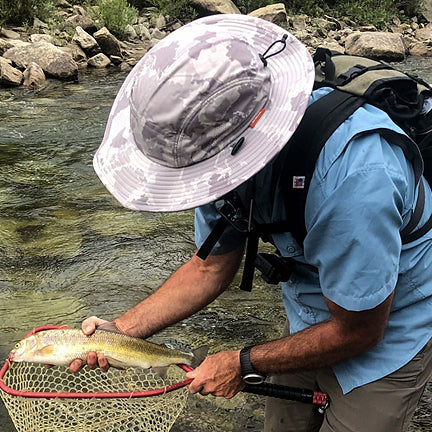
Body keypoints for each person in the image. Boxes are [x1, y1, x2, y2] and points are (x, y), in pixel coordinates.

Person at [71, 14, 432, 432]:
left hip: (388, 320)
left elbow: (360, 329)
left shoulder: (356, 174)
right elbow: (209, 266)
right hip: (313, 306)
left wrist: (241, 363)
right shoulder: (211, 156)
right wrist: (121, 330)